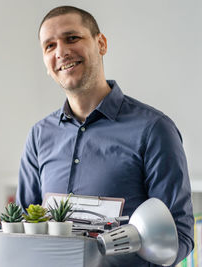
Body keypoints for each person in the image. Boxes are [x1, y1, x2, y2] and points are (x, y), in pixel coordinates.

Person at [16, 5, 194, 266]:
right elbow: (23, 228)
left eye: (72, 38)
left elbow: (179, 236)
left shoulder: (154, 129)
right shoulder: (39, 135)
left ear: (101, 43)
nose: (61, 52)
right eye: (49, 46)